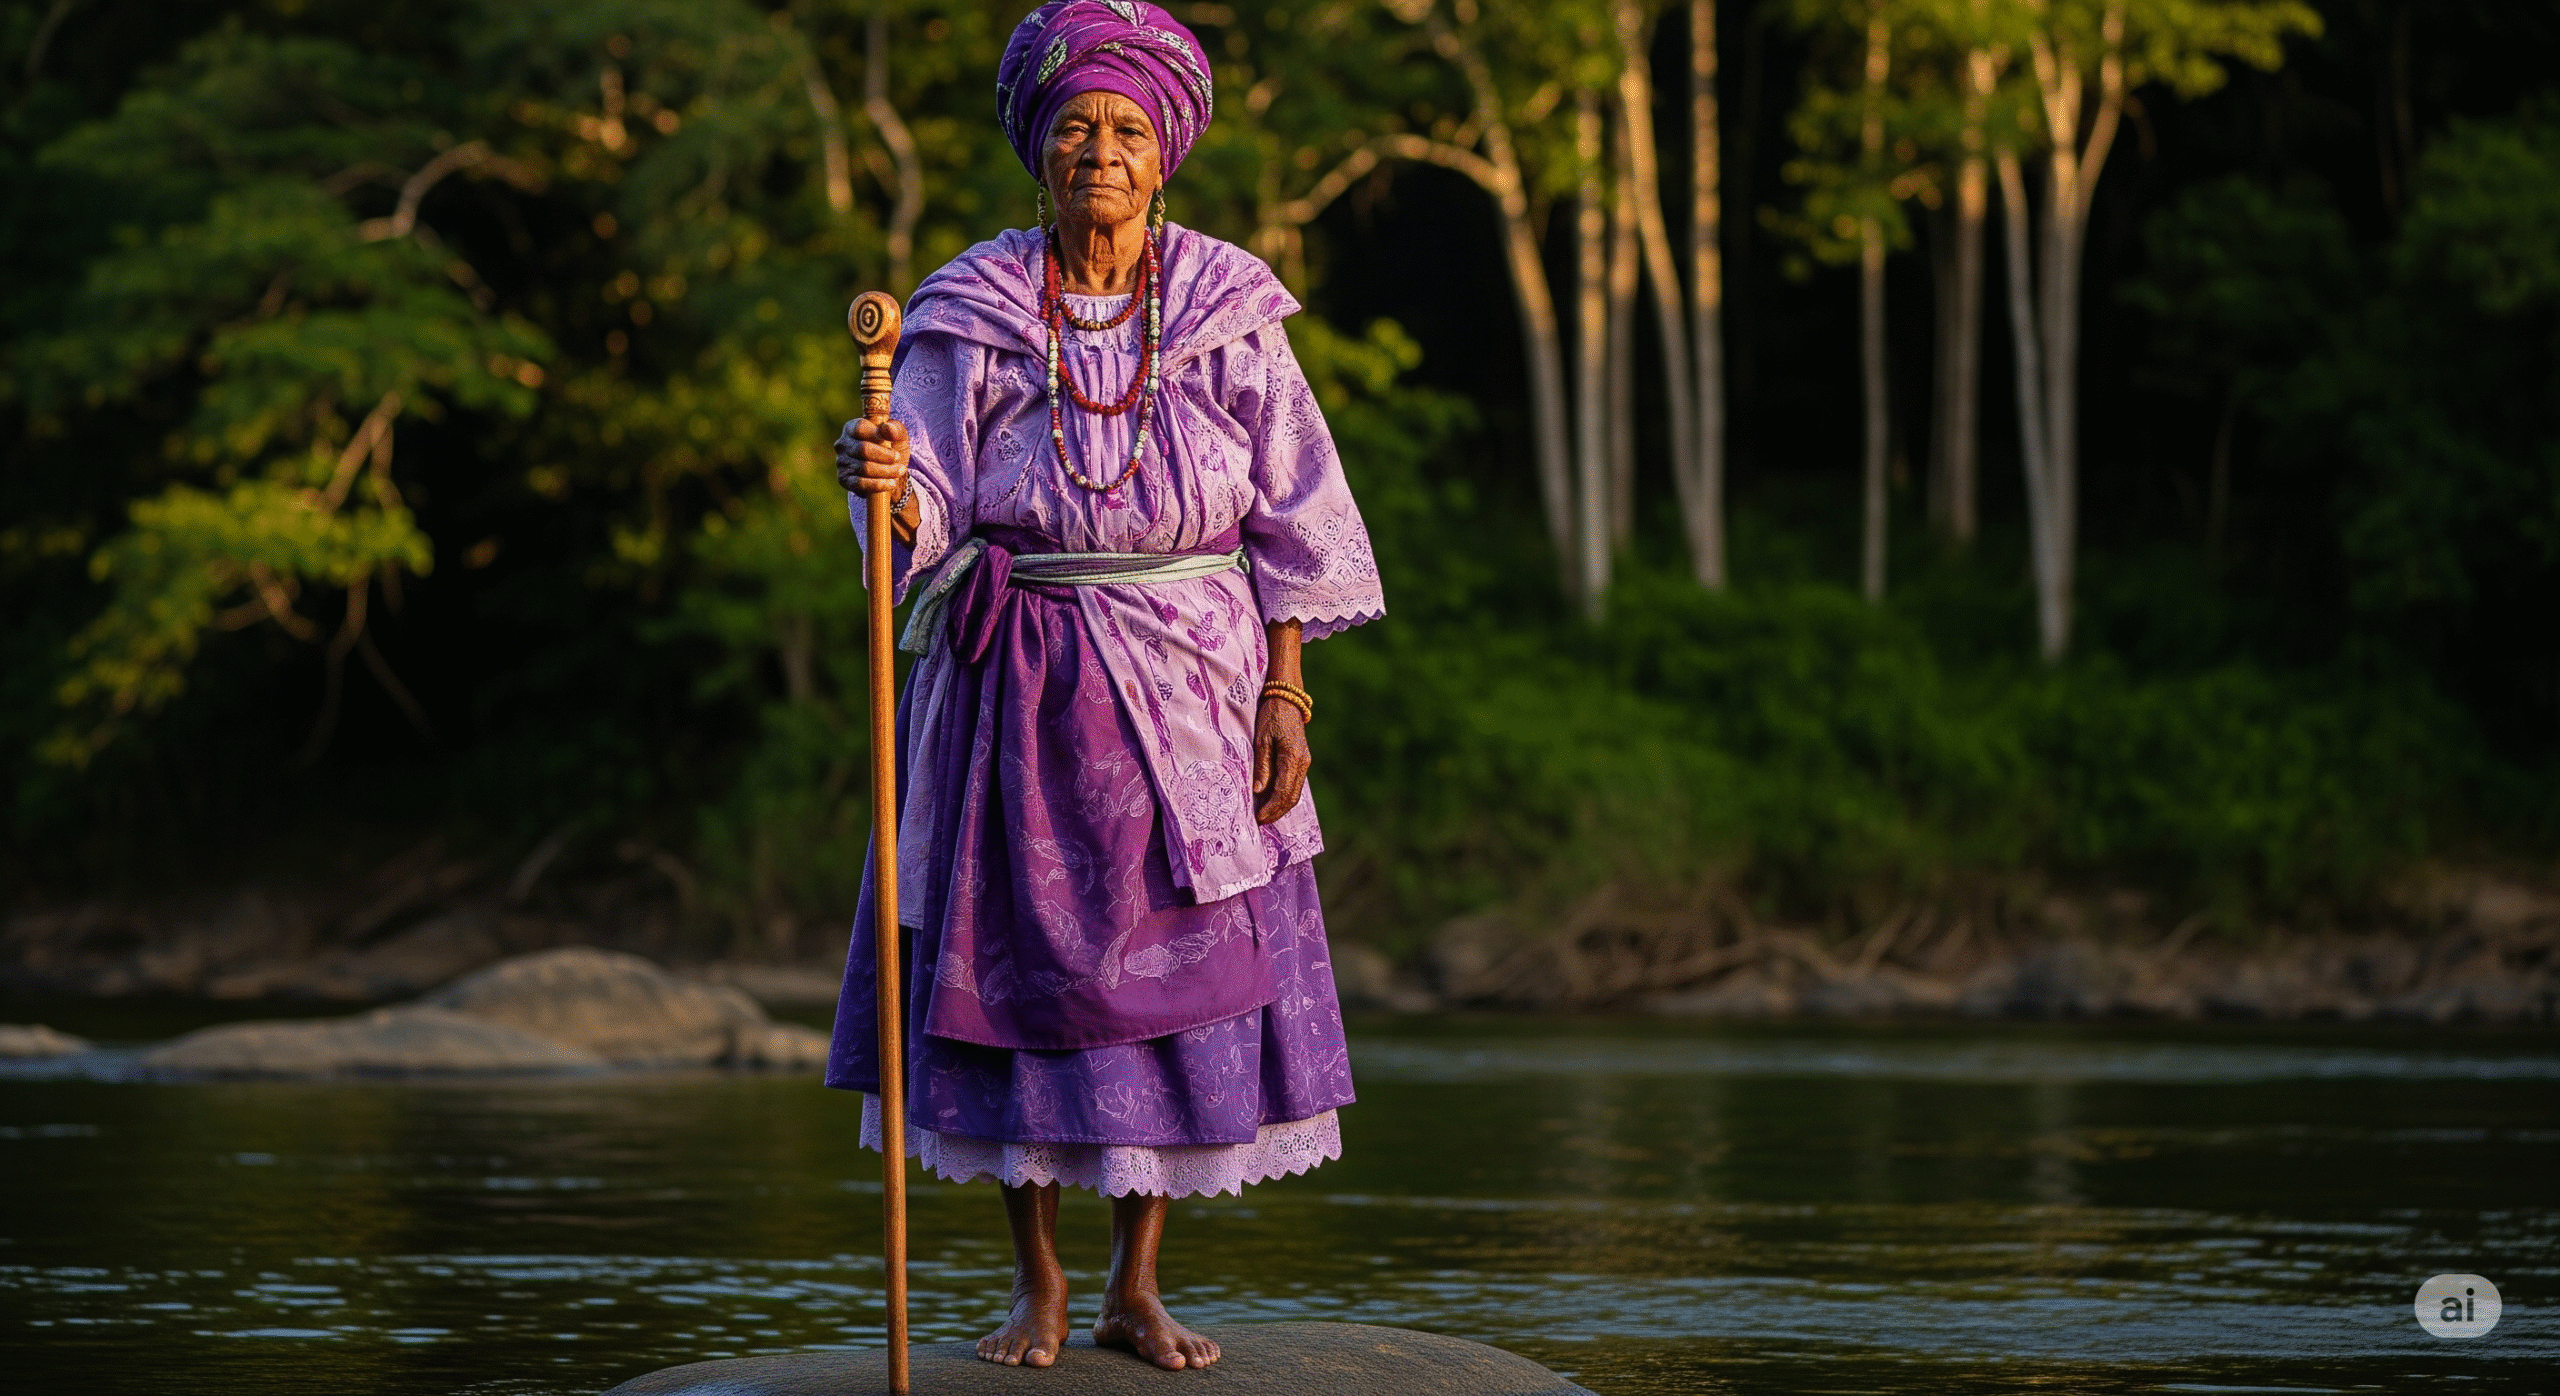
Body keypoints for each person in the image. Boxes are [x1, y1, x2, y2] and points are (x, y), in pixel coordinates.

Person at [824, 0, 1383, 1373]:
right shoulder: (974, 306)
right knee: (1010, 985)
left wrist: (1287, 692)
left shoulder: (1227, 307)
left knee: (1178, 988)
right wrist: (889, 491)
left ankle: (1138, 1284)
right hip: (1013, 681)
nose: (1101, 148)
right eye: (1076, 124)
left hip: (1198, 688)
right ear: (1039, 146)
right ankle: (1039, 1284)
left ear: (1166, 153)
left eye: (1128, 128)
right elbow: (935, 501)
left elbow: (1295, 510)